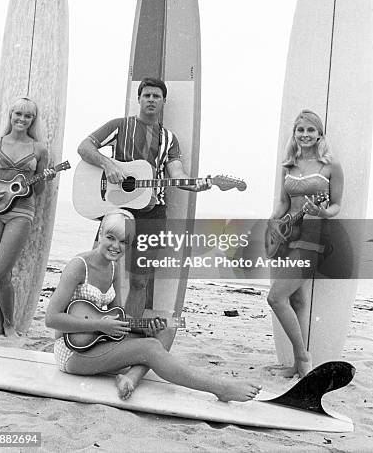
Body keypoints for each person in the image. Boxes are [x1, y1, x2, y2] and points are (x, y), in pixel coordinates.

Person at [46, 210, 262, 402]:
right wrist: (101, 325)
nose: (115, 246)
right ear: (100, 234)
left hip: (99, 341)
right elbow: (51, 319)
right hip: (72, 352)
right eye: (110, 237)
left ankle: (131, 378)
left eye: (123, 242)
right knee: (150, 348)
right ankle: (220, 388)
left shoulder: (113, 268)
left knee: (168, 324)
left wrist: (143, 325)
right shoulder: (78, 266)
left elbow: (117, 317)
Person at [77, 77, 211, 318]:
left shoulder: (169, 139)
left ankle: (125, 331)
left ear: (163, 102)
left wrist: (196, 185)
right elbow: (85, 147)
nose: (151, 99)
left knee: (140, 280)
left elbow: (177, 174)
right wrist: (107, 165)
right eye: (146, 95)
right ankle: (90, 321)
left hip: (153, 213)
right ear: (138, 99)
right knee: (98, 268)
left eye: (156, 96)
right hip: (117, 208)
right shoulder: (120, 126)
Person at [266, 110, 343, 378]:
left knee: (275, 297)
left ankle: (303, 356)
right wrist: (272, 224)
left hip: (313, 237)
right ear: (294, 133)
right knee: (296, 300)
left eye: (311, 130)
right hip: (287, 236)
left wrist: (320, 211)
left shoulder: (330, 167)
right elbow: (283, 203)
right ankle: (297, 368)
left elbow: (335, 206)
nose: (305, 135)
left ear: (320, 134)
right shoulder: (288, 165)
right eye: (301, 130)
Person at [0, 97, 54, 339]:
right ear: (10, 115)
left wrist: (45, 179)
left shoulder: (39, 149)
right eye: (18, 114)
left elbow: (38, 192)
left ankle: (10, 325)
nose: (21, 119)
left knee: (0, 272)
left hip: (21, 213)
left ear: (33, 120)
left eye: (27, 116)